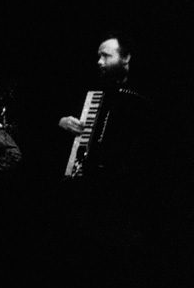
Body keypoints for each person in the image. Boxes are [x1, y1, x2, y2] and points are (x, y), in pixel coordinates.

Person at [57, 32, 149, 179]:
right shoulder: (92, 89)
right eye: (99, 56)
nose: (99, 61)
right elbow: (55, 116)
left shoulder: (143, 95)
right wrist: (63, 122)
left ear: (126, 58)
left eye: (106, 56)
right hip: (88, 175)